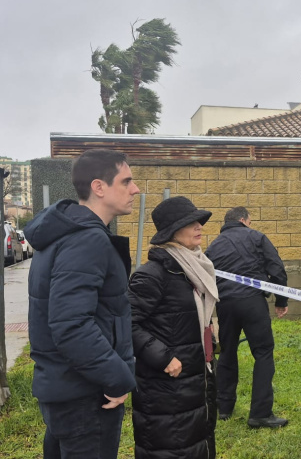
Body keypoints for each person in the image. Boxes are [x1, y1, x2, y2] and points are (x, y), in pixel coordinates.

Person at [25, 149, 140, 459]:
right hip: (86, 397)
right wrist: (116, 379)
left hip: (68, 389)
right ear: (99, 187)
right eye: (126, 181)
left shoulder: (67, 233)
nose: (136, 189)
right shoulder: (85, 239)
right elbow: (71, 324)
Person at [128, 196, 218, 458]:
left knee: (198, 444)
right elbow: (124, 322)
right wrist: (164, 357)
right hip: (166, 388)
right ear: (172, 232)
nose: (199, 226)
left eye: (199, 221)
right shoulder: (152, 274)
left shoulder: (196, 267)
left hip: (196, 377)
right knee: (171, 448)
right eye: (191, 222)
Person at [205, 206, 290, 428]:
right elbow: (277, 269)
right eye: (250, 221)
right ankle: (260, 414)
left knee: (227, 352)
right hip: (253, 302)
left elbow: (205, 275)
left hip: (225, 305)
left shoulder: (214, 245)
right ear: (244, 220)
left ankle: (223, 408)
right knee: (263, 353)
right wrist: (281, 301)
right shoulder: (257, 237)